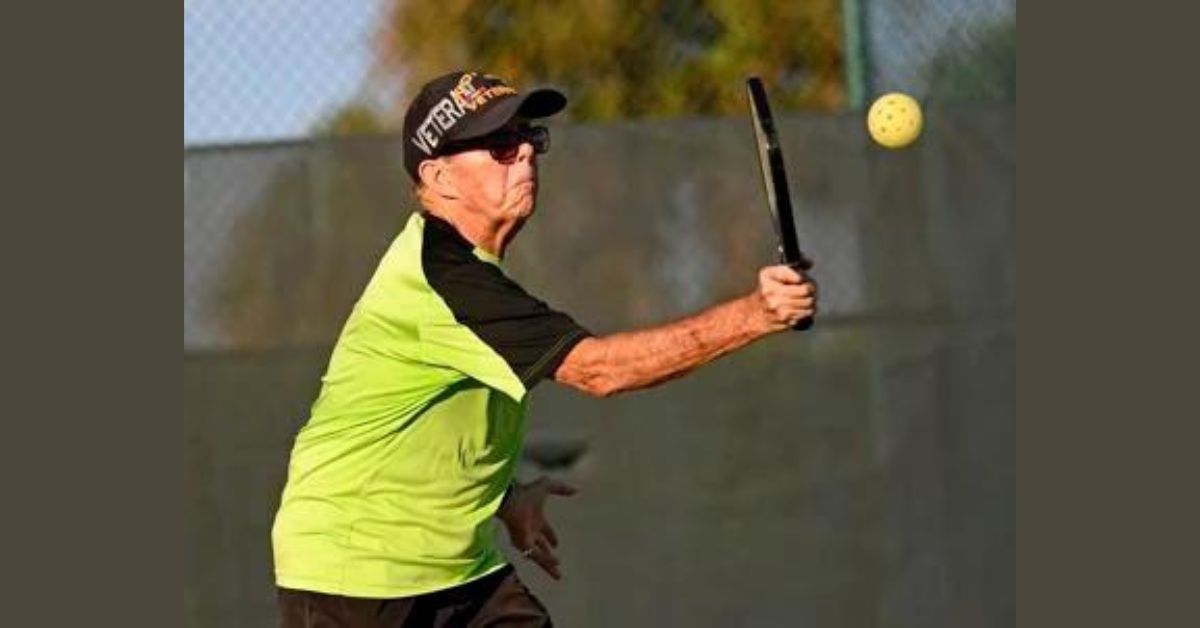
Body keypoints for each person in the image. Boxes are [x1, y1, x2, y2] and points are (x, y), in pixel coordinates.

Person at [271, 70, 817, 627]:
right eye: (501, 146)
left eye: (531, 138)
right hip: (353, 579)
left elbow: (426, 425)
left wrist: (504, 499)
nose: (527, 153)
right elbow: (600, 371)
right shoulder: (443, 281)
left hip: (459, 572)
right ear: (439, 177)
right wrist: (756, 314)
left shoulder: (469, 276)